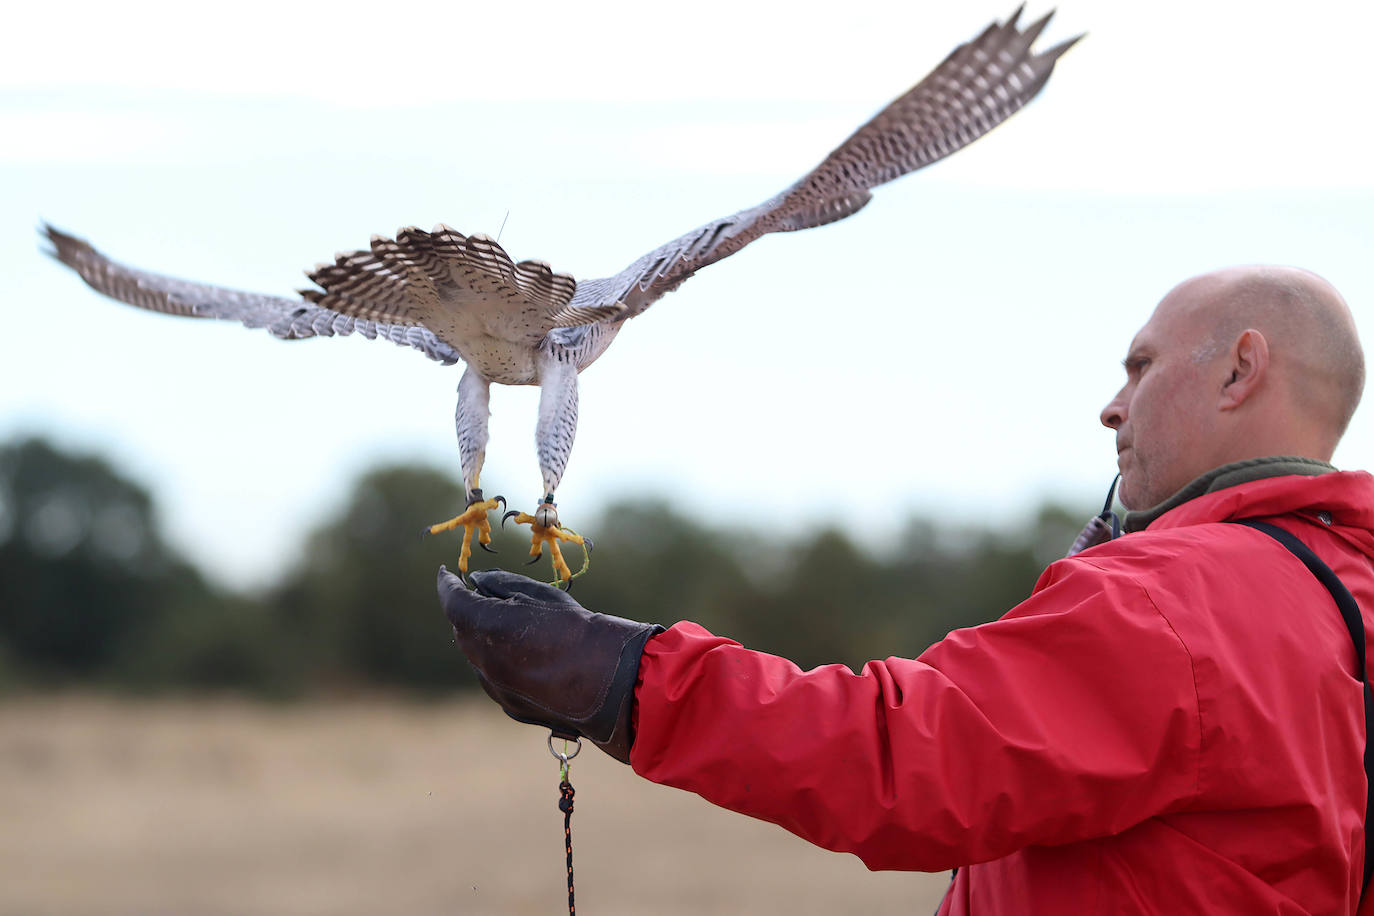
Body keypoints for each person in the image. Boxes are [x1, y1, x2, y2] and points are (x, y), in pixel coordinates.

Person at [438, 265, 1373, 914]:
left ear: (1242, 371)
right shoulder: (1347, 601)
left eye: (1141, 366)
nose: (1113, 405)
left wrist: (627, 677)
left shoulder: (1176, 603)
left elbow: (904, 757)